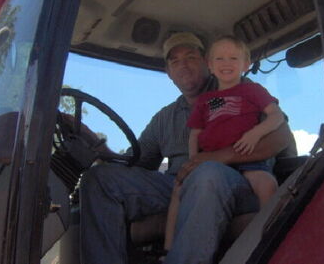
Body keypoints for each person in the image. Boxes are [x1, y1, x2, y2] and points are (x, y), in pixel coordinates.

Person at [79, 32, 293, 264]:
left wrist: (218, 157)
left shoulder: (238, 89)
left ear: (205, 62)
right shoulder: (164, 118)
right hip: (178, 181)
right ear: (169, 73)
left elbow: (280, 136)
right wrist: (97, 145)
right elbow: (134, 164)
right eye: (175, 61)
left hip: (239, 179)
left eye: (190, 57)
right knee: (100, 179)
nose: (183, 65)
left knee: (207, 173)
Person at [163, 35, 282, 250]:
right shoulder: (208, 100)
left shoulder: (252, 90)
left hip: (246, 159)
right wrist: (192, 162)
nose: (226, 64)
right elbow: (195, 134)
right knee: (178, 190)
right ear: (210, 65)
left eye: (233, 59)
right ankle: (167, 250)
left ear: (245, 64)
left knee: (267, 183)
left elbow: (277, 117)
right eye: (219, 59)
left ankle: (267, 241)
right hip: (211, 161)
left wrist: (255, 133)